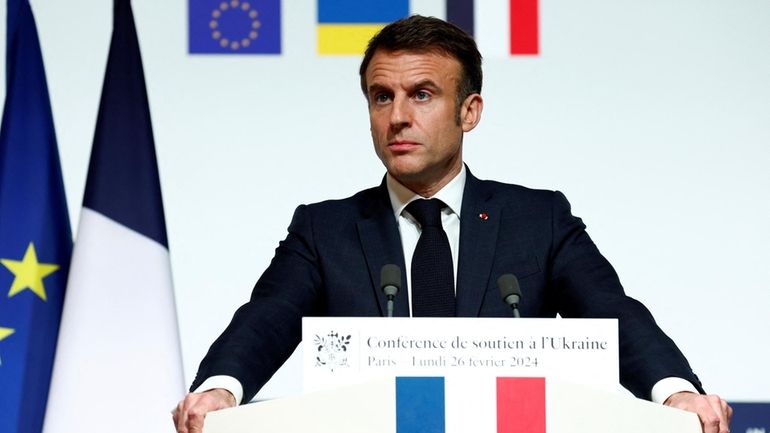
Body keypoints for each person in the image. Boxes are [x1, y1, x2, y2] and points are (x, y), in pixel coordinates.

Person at [173, 15, 732, 433]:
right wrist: (220, 390)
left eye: (422, 95)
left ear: (470, 111)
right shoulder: (326, 230)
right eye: (381, 97)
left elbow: (615, 314)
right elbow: (265, 320)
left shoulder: (539, 221)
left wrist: (675, 395)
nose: (397, 117)